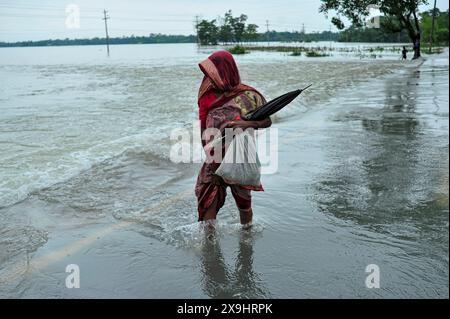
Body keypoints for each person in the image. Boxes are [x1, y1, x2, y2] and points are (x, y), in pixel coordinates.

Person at [195, 50, 271, 229]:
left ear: (226, 72)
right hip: (215, 156)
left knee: (243, 204)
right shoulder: (207, 94)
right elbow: (203, 127)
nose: (210, 78)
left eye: (213, 73)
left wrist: (245, 124)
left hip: (240, 157)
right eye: (208, 73)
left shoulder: (249, 95)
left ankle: (247, 238)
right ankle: (210, 245)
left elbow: (267, 121)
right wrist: (209, 155)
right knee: (208, 200)